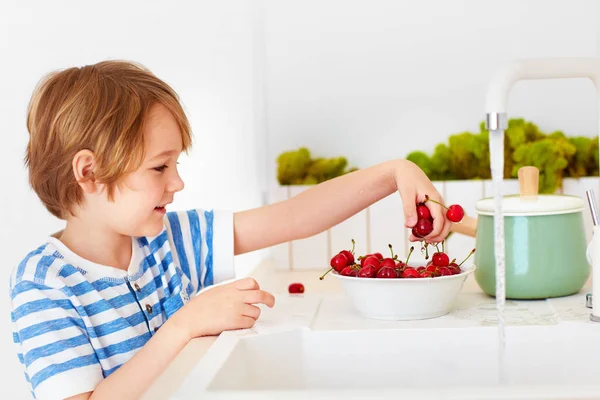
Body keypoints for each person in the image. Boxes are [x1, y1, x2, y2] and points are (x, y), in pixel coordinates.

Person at [9, 60, 451, 400]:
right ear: (88, 171)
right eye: (160, 167)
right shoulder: (43, 284)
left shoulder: (169, 241)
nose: (177, 182)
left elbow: (295, 216)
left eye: (176, 165)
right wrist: (183, 326)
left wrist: (393, 173)